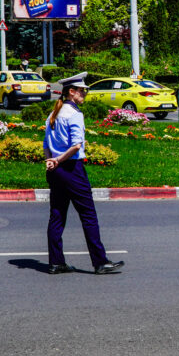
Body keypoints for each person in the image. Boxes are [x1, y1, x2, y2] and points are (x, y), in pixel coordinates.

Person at [43, 72, 124, 275]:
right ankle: (100, 262)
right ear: (71, 92)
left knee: (57, 215)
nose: (85, 94)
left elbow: (46, 145)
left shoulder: (53, 114)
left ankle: (56, 262)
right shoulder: (75, 114)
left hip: (55, 171)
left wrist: (51, 161)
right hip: (72, 169)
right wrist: (59, 160)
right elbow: (76, 145)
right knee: (88, 215)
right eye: (82, 91)